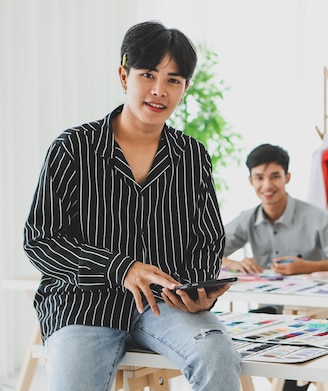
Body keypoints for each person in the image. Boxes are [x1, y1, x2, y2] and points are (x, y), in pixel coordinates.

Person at [23, 21, 241, 391]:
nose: (159, 90)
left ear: (185, 88)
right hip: (83, 305)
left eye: (174, 80)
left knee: (218, 356)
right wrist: (122, 269)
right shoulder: (73, 148)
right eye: (148, 74)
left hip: (166, 307)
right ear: (124, 76)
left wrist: (197, 293)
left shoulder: (192, 156)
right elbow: (41, 241)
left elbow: (206, 241)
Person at [222, 143, 328, 276]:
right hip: (262, 294)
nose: (267, 185)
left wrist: (308, 267)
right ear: (251, 181)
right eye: (259, 178)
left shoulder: (317, 218)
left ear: (287, 177)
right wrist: (233, 264)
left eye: (275, 176)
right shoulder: (247, 219)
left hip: (309, 295)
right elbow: (204, 251)